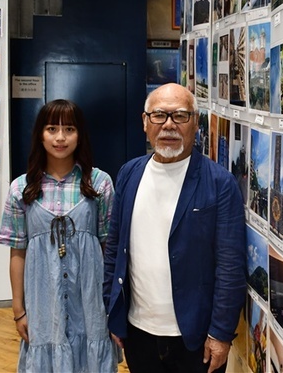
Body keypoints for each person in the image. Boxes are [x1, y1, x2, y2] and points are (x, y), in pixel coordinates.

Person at [103, 83, 247, 373]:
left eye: (180, 116)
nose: (168, 125)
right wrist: (113, 311)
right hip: (138, 331)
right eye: (159, 115)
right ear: (145, 122)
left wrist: (220, 333)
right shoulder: (130, 173)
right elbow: (114, 248)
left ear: (196, 123)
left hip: (196, 338)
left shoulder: (219, 184)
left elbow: (231, 266)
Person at [0, 99, 117, 373]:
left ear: (79, 135)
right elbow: (17, 253)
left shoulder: (99, 183)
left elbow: (108, 246)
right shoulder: (21, 189)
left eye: (69, 129)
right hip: (42, 302)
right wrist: (19, 311)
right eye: (52, 129)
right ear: (40, 134)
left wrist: (113, 303)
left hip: (90, 300)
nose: (60, 137)